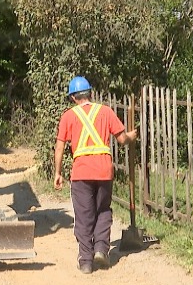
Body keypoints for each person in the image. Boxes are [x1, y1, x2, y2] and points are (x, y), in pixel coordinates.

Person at [54, 76, 138, 274]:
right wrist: (132, 136)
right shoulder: (106, 111)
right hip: (103, 169)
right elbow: (122, 139)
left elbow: (59, 147)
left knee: (84, 215)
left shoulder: (68, 116)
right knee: (103, 210)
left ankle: (85, 260)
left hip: (81, 172)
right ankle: (101, 249)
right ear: (90, 93)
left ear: (73, 97)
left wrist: (58, 173)